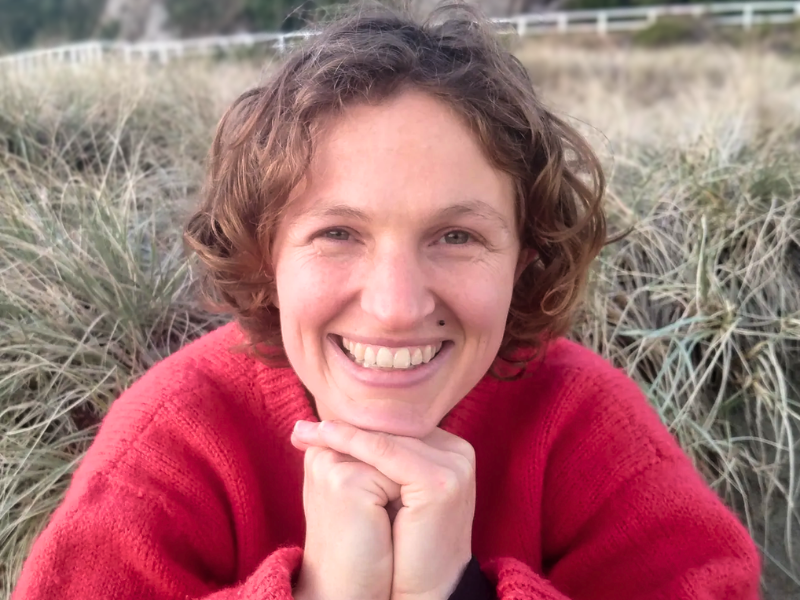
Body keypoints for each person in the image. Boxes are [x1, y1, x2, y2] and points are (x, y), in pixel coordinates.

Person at [12, 3, 761, 600]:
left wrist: (457, 589)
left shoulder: (586, 424)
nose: (398, 306)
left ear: (524, 258)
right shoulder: (178, 435)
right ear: (266, 255)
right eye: (338, 232)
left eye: (458, 236)